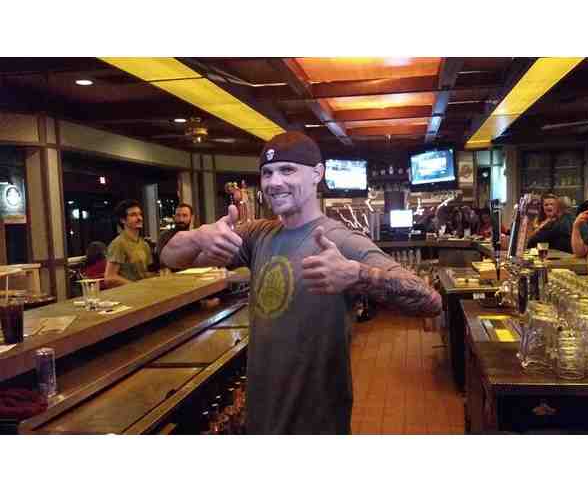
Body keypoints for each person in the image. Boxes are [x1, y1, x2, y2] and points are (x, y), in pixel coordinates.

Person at [161, 131, 442, 434]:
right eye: (267, 173)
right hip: (261, 417)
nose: (274, 182)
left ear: (317, 175)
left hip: (317, 422)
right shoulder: (258, 234)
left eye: (287, 170)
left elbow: (430, 301)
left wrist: (359, 275)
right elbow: (171, 257)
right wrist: (198, 236)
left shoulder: (339, 239)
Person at [105, 199, 153, 287]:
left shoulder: (144, 244)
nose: (139, 218)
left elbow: (144, 273)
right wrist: (136, 286)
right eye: (133, 215)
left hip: (143, 291)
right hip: (128, 293)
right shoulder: (118, 244)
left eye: (140, 214)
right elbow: (110, 278)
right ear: (123, 220)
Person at [156, 203, 194, 268]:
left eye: (185, 215)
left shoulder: (195, 236)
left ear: (191, 217)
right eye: (178, 215)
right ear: (174, 217)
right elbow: (163, 261)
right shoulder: (165, 237)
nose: (181, 219)